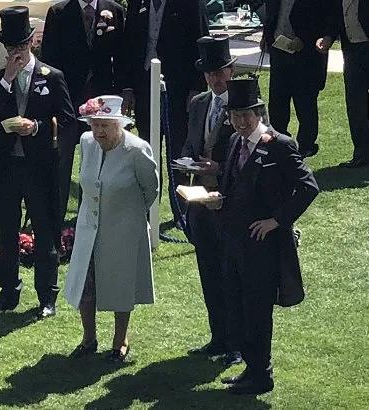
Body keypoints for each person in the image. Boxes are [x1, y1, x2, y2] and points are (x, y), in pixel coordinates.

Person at [206, 79, 319, 394]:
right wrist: (217, 200)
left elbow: (308, 187)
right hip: (233, 239)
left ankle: (262, 374)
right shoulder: (233, 143)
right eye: (235, 115)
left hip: (262, 246)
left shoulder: (279, 145)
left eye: (246, 115)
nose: (241, 122)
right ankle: (251, 368)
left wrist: (277, 221)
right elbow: (232, 185)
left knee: (257, 309)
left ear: (258, 113)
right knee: (237, 305)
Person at [0, 6, 76, 320]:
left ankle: (47, 295)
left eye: (20, 47)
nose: (15, 53)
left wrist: (38, 128)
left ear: (32, 42)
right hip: (7, 166)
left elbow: (70, 120)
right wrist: (7, 78)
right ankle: (8, 291)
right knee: (7, 231)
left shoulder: (52, 76)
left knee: (44, 230)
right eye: (10, 48)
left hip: (40, 166)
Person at [64, 95, 159, 362]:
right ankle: (88, 338)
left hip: (123, 229)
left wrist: (130, 214)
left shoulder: (137, 150)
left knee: (121, 284)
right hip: (88, 227)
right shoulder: (86, 143)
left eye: (105, 125)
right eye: (94, 124)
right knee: (86, 283)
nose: (99, 131)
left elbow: (151, 189)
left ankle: (120, 341)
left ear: (120, 125)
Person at [180, 35, 242, 366]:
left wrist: (219, 167)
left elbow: (252, 152)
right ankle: (218, 337)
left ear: (231, 71)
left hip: (228, 202)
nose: (216, 79)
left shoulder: (244, 105)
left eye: (221, 72)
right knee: (208, 271)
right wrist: (188, 161)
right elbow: (191, 143)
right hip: (199, 201)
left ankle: (236, 343)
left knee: (230, 273)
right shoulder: (199, 103)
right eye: (210, 74)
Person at [122, 0, 209, 227]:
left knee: (178, 149)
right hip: (144, 87)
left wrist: (196, 88)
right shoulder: (136, 4)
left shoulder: (191, 5)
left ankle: (181, 210)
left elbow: (200, 41)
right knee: (147, 149)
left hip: (179, 90)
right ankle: (149, 208)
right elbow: (129, 45)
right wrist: (128, 88)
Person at [41, 0, 125, 221]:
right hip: (66, 99)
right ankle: (56, 217)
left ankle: (96, 214)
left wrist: (124, 92)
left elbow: (123, 55)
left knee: (100, 158)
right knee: (63, 158)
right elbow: (48, 59)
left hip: (101, 99)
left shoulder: (115, 11)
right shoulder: (58, 12)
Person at [262, 0, 333, 158]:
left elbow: (325, 18)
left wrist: (305, 40)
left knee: (305, 103)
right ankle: (279, 142)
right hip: (279, 50)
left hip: (306, 55)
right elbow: (272, 13)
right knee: (277, 101)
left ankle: (307, 145)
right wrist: (266, 36)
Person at [318, 0, 369, 168]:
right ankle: (361, 152)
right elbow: (334, 17)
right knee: (355, 104)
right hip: (352, 52)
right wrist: (328, 38)